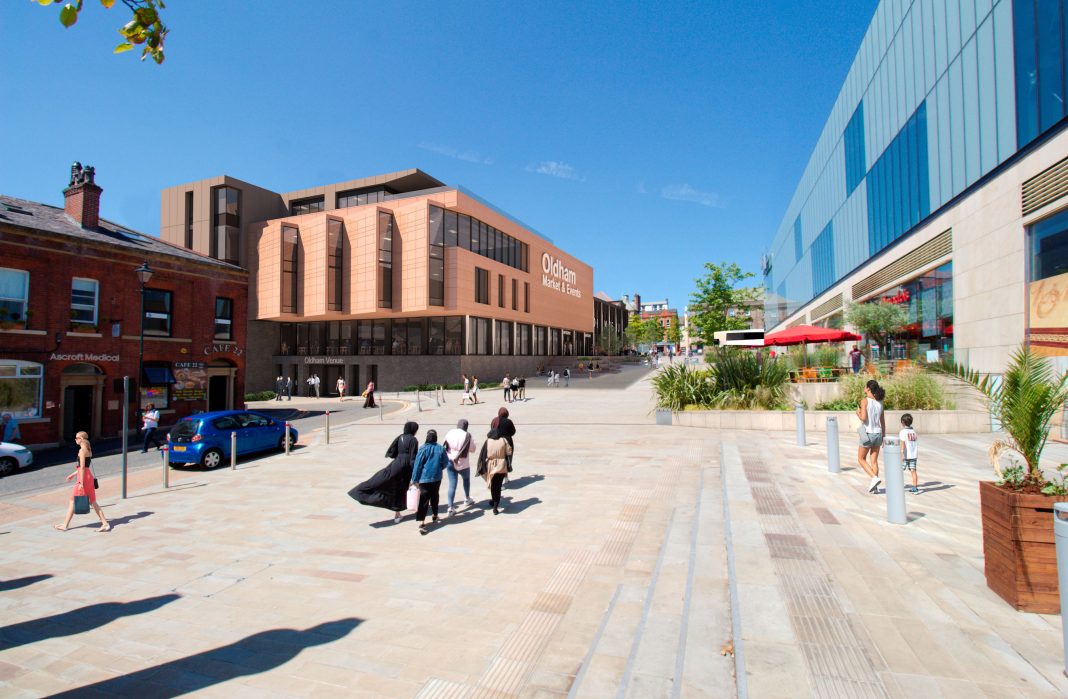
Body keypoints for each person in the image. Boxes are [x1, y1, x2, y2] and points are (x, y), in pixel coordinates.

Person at [350, 421, 419, 523]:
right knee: (401, 489)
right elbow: (413, 458)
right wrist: (416, 473)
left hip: (396, 464)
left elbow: (393, 451)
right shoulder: (413, 440)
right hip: (406, 467)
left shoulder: (400, 437)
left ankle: (360, 491)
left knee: (389, 484)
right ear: (413, 430)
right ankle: (399, 513)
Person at [54, 431, 109, 532]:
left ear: (82, 439)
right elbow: (84, 467)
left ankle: (65, 525)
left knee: (72, 501)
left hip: (83, 479)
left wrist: (81, 483)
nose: (75, 440)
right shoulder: (88, 449)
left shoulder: (82, 451)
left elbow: (82, 467)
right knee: (92, 501)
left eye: (77, 438)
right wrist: (73, 474)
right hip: (88, 477)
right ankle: (105, 523)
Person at [411, 429, 449, 535]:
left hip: (424, 478)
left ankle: (422, 522)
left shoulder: (423, 448)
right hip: (436, 478)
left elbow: (418, 465)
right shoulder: (440, 448)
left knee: (423, 500)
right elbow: (445, 462)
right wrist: (439, 468)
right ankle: (435, 515)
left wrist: (414, 479)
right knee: (435, 496)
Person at [856, 379, 886, 494]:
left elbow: (863, 418)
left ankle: (874, 478)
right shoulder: (880, 402)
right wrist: (883, 437)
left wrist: (858, 413)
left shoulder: (864, 401)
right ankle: (875, 488)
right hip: (878, 434)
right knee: (874, 461)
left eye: (865, 386)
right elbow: (883, 422)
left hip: (868, 434)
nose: (864, 388)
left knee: (861, 459)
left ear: (868, 388)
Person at [477, 423, 513, 515]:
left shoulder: (488, 441)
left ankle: (494, 503)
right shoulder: (503, 440)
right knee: (498, 486)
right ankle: (495, 506)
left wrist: (482, 467)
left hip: (491, 466)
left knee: (493, 486)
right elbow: (509, 451)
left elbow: (483, 455)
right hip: (502, 466)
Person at [443, 419, 477, 515]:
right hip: (463, 463)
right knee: (466, 480)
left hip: (450, 461)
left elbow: (445, 444)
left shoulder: (450, 432)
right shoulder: (467, 435)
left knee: (452, 484)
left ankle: (450, 507)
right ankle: (467, 498)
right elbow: (473, 449)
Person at [899, 413, 920, 494]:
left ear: (902, 422)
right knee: (913, 471)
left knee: (899, 470)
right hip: (913, 455)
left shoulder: (903, 432)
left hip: (905, 455)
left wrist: (901, 453)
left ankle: (898, 485)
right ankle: (915, 488)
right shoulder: (914, 432)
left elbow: (902, 443)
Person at [496, 406, 517, 475]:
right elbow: (513, 432)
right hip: (508, 441)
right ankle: (506, 472)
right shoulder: (509, 421)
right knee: (508, 457)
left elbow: (492, 430)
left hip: (497, 441)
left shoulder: (495, 420)